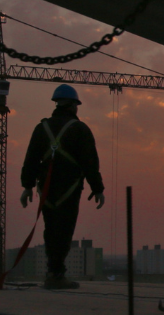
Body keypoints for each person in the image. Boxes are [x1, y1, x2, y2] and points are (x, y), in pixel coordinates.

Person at [20, 85, 105, 289]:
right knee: (64, 231)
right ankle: (57, 275)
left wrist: (28, 186)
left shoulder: (42, 128)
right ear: (74, 106)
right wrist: (98, 188)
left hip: (46, 190)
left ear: (56, 104)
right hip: (69, 189)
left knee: (51, 231)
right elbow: (90, 162)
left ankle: (53, 272)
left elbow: (30, 159)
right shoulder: (80, 129)